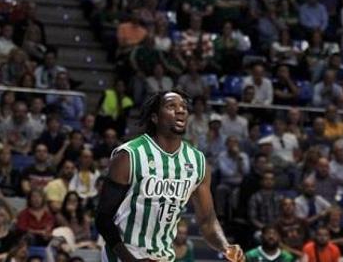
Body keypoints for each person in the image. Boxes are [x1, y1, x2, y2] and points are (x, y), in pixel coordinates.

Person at [95, 91, 245, 262]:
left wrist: (225, 246)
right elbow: (103, 219)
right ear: (155, 118)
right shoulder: (129, 155)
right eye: (171, 106)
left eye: (183, 107)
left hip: (164, 256)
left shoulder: (197, 161)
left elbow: (207, 221)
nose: (180, 110)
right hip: (123, 255)